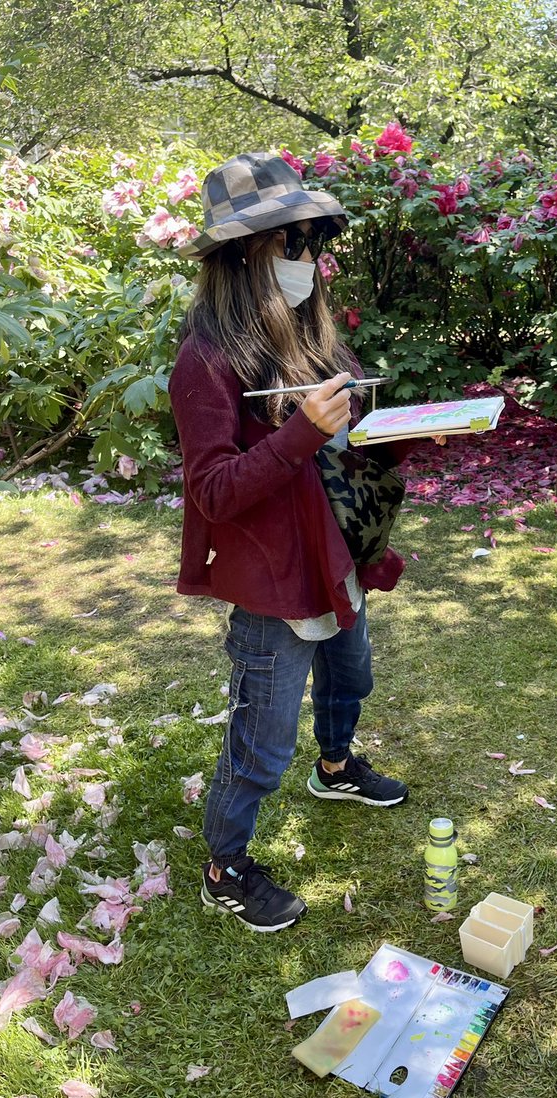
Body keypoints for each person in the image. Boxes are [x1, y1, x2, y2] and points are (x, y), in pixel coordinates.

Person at [169, 152, 421, 934]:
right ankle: (225, 868)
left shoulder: (322, 346)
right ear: (244, 253)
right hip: (277, 580)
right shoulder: (206, 360)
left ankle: (337, 765)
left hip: (338, 557)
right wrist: (300, 433)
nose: (310, 258)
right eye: (293, 242)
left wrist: (412, 432)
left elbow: (351, 448)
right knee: (262, 740)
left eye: (315, 240)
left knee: (351, 677)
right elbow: (214, 491)